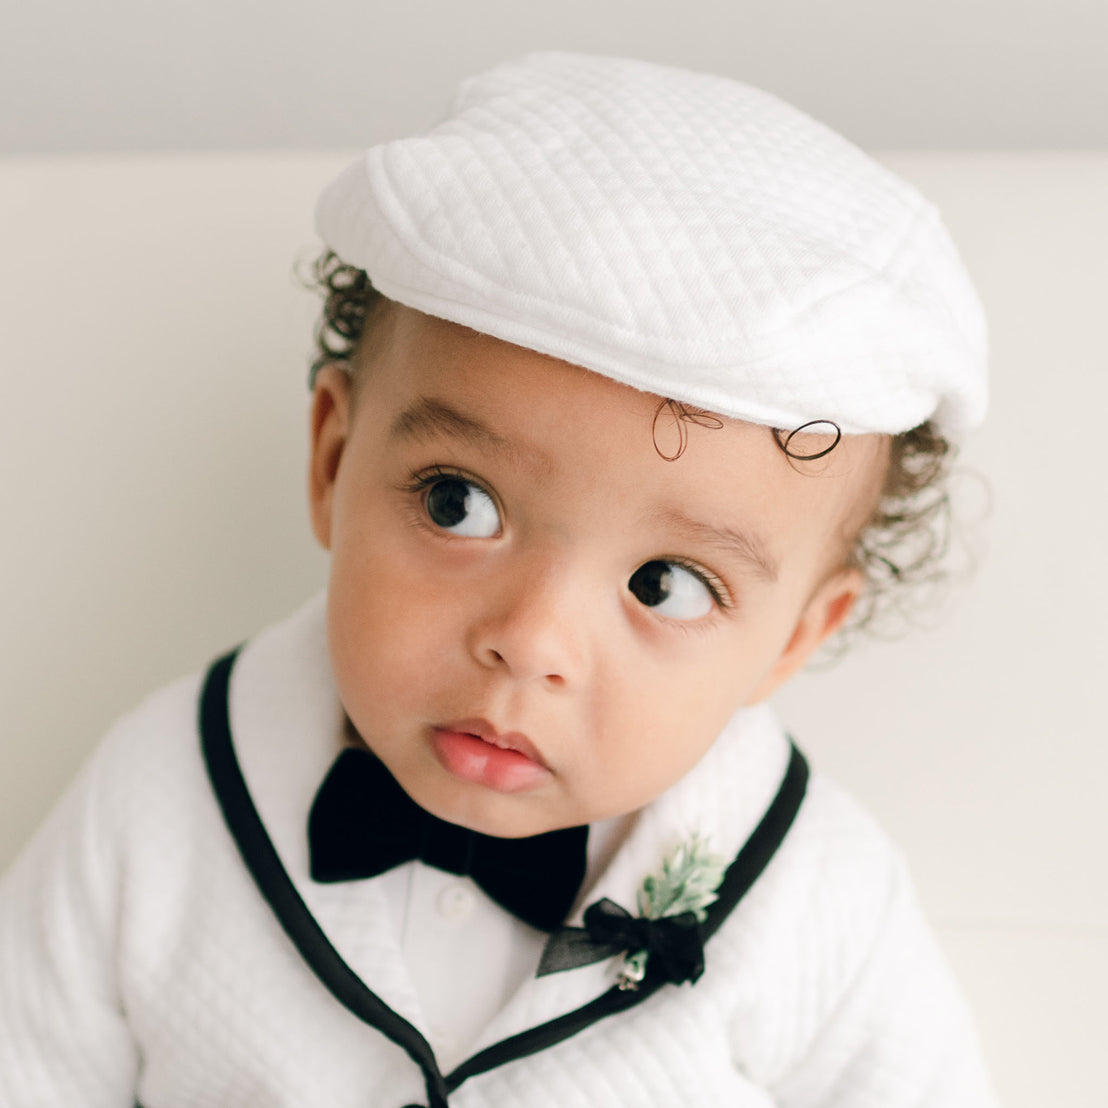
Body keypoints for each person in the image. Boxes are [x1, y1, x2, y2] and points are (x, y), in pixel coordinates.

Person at [0, 53, 997, 1107]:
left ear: (797, 636)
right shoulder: (158, 803)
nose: (530, 640)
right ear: (334, 461)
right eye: (456, 504)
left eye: (665, 584)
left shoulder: (816, 895)